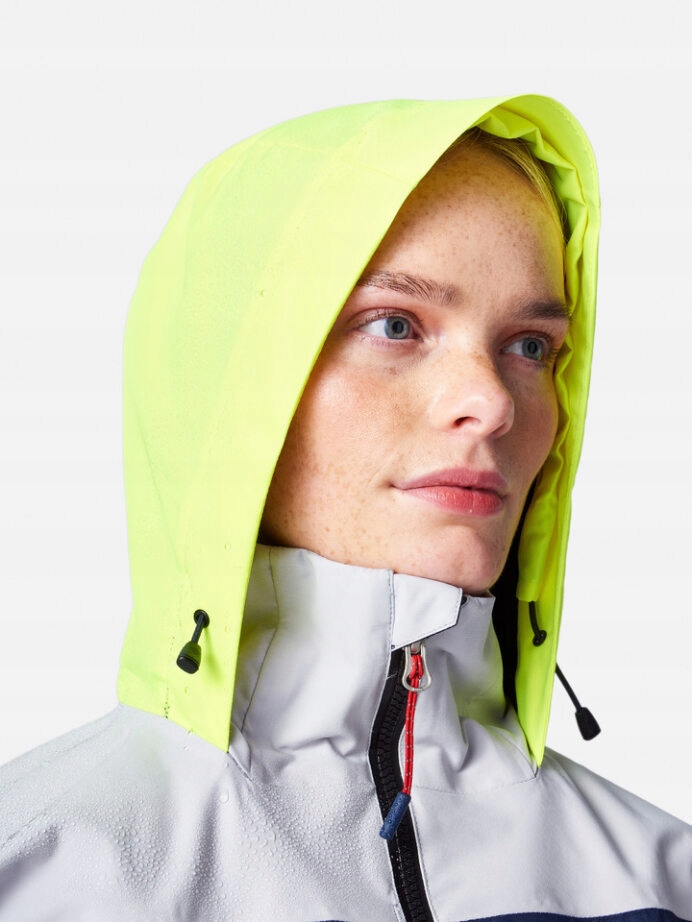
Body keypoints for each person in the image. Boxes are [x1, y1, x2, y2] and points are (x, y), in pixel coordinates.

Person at [0, 94, 690, 921]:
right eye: (395, 324)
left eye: (531, 345)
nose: (493, 403)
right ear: (229, 380)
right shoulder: (43, 875)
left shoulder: (663, 884)